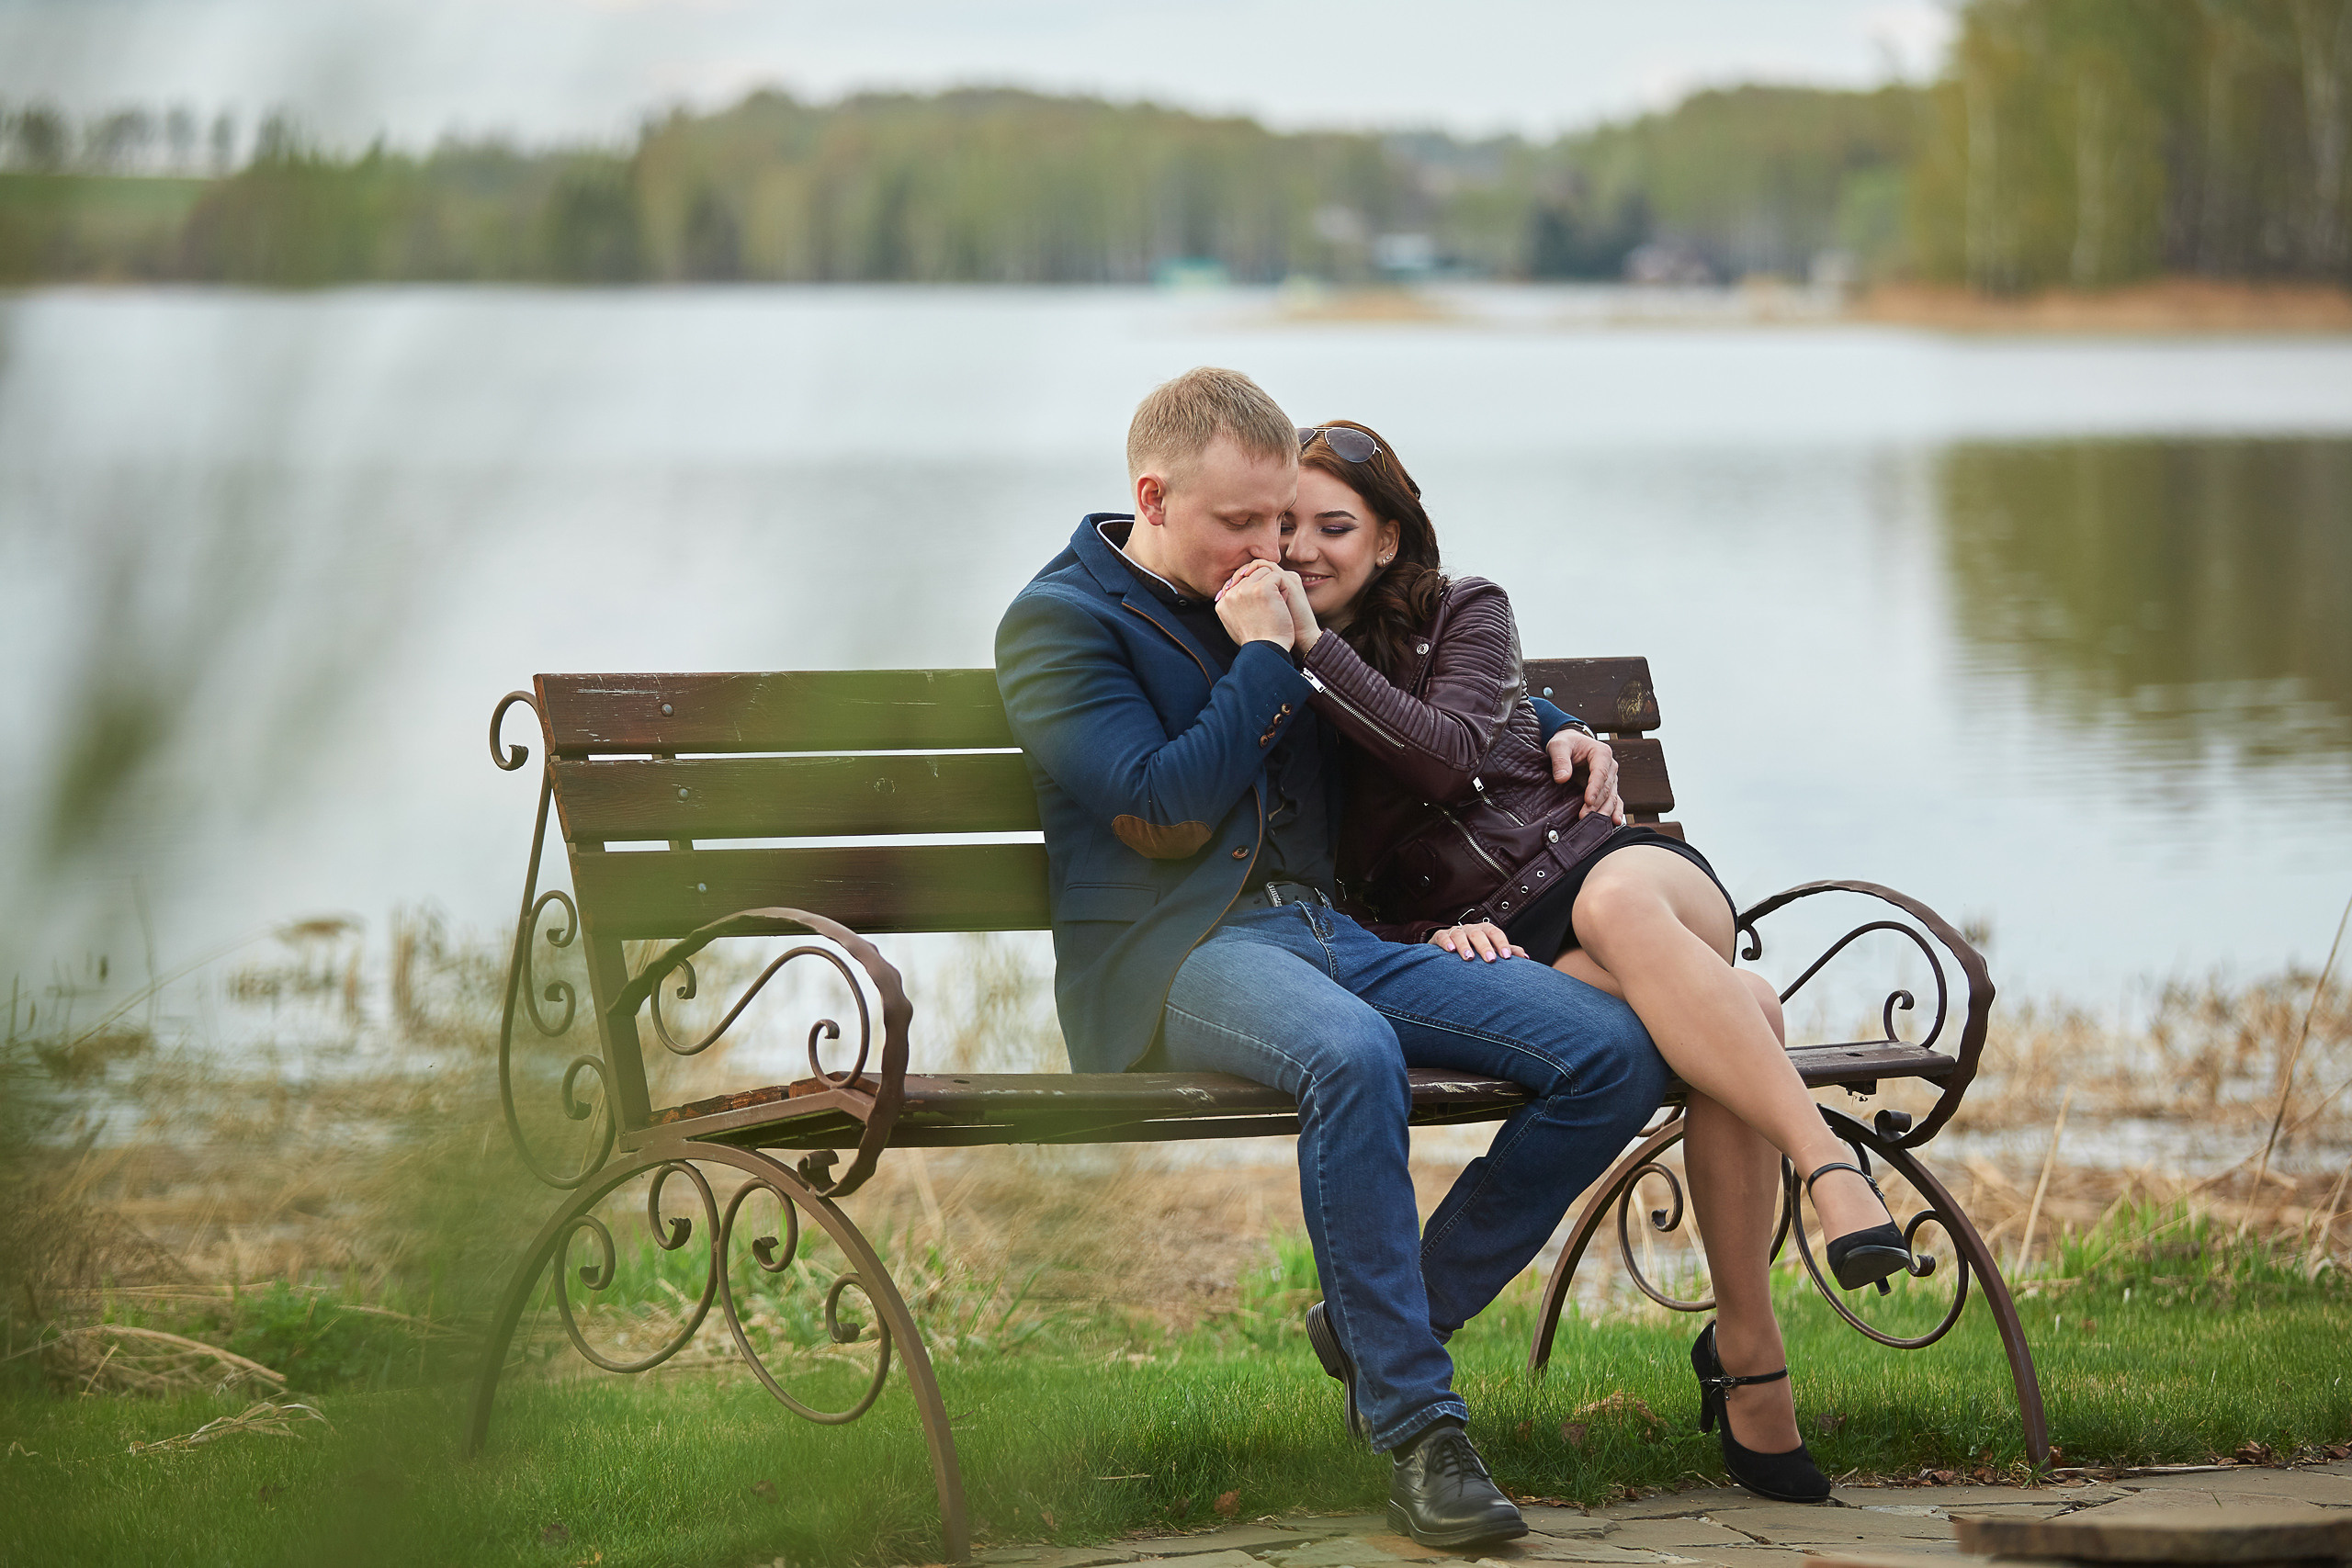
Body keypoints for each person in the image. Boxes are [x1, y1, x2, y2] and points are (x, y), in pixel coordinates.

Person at [994, 369, 1672, 1549]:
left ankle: (1374, 1327)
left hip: (1326, 934)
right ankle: (1420, 1433)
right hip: (1173, 959)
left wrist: (1554, 722)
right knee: (1350, 1055)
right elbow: (1163, 806)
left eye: (1283, 520)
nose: (1276, 550)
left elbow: (1428, 690)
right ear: (1151, 496)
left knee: (1613, 1051)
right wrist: (1264, 660)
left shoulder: (1254, 591)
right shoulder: (1062, 623)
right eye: (1242, 523)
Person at [1267, 417, 1919, 1504]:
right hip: (1510, 942)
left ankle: (1829, 1171)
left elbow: (1453, 749)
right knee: (1743, 1010)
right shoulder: (1277, 671)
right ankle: (1750, 1362)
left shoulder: (1465, 609)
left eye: (1333, 525)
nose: (1303, 550)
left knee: (1619, 898)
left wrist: (1557, 722)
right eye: (1282, 524)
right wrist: (1417, 941)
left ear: (1388, 540)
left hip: (1617, 872)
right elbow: (1300, 881)